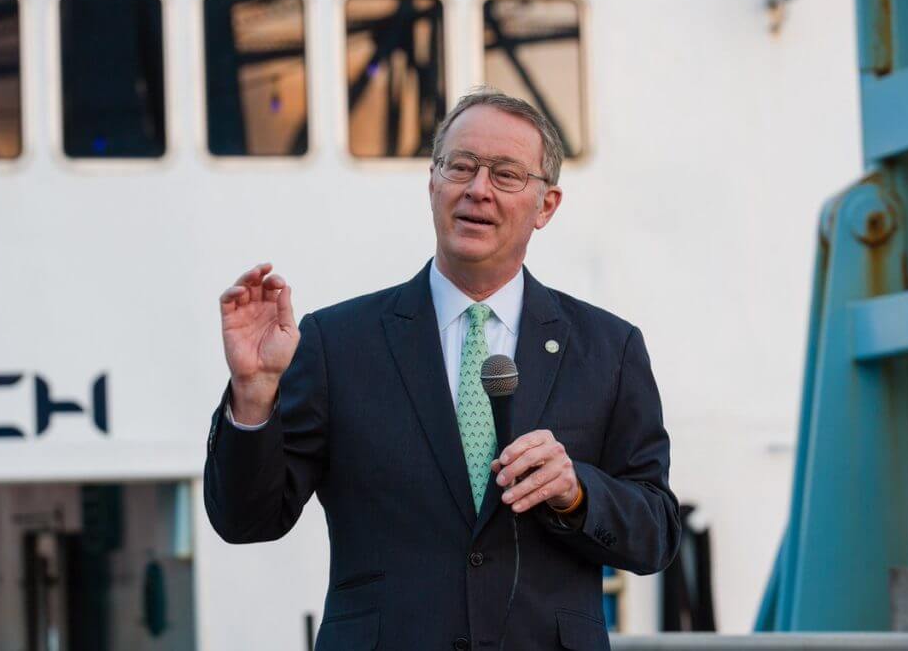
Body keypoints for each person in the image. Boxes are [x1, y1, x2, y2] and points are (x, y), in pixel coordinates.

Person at [204, 89, 680, 651]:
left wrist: (577, 493)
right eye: (461, 166)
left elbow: (656, 533)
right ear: (433, 183)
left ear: (546, 205)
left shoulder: (608, 348)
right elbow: (247, 521)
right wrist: (255, 394)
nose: (477, 189)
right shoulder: (338, 342)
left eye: (505, 174)